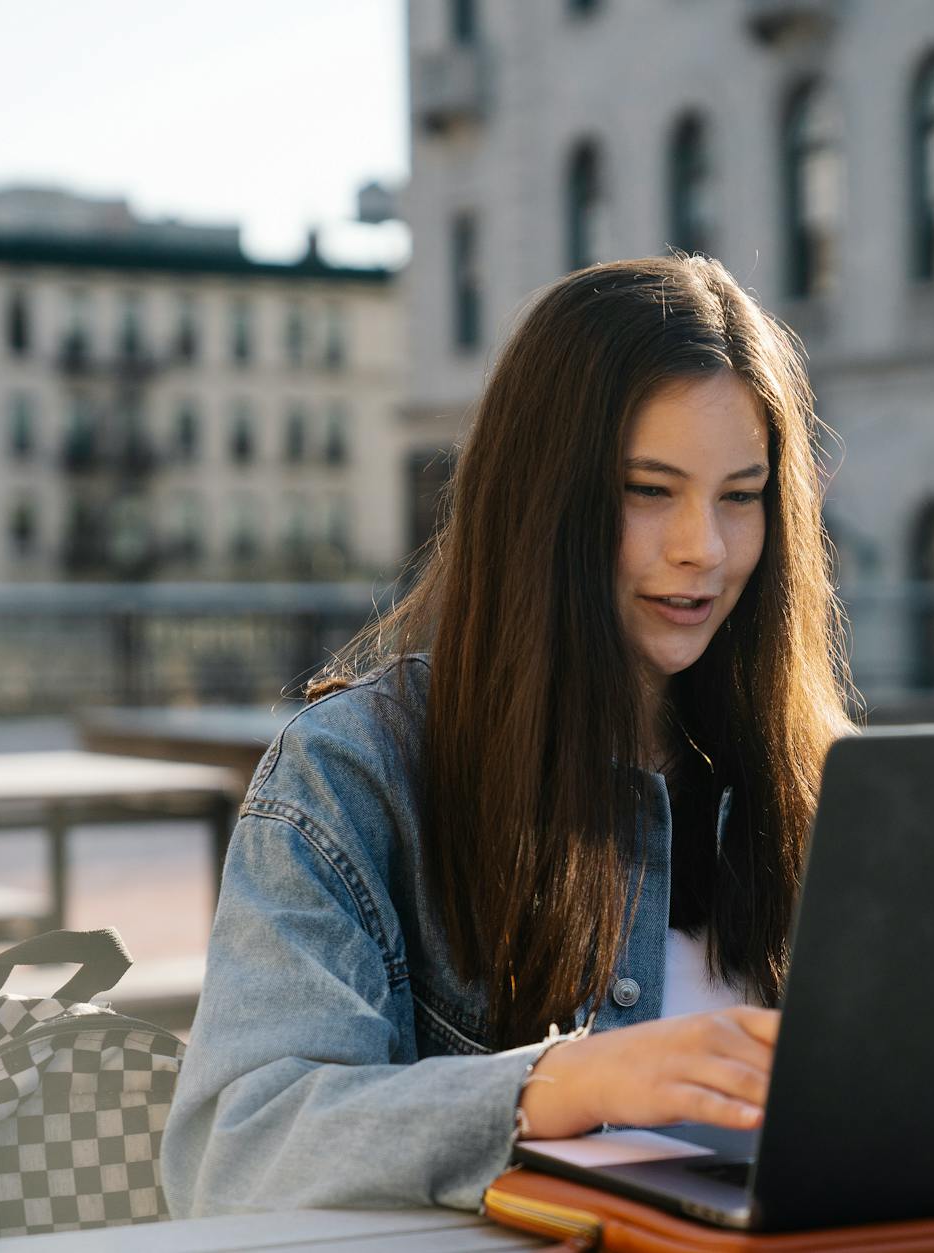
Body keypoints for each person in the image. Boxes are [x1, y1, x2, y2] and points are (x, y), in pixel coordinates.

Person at [163, 256, 853, 1215]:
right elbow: (234, 1150)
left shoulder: (821, 776)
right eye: (649, 489)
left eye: (742, 495)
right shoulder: (356, 775)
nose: (705, 546)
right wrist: (562, 1087)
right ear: (540, 501)